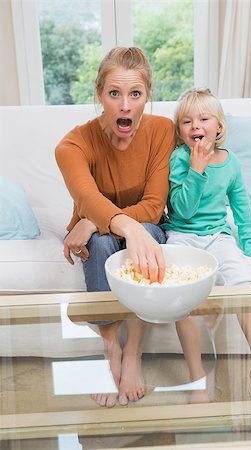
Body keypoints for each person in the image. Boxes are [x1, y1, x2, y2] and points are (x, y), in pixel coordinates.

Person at [55, 47, 175, 408]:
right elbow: (86, 195)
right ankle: (110, 349)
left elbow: (154, 206)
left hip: (147, 229)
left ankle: (133, 350)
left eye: (135, 94)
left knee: (119, 238)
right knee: (106, 243)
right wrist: (114, 223)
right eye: (114, 94)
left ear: (147, 96)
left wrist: (95, 222)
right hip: (105, 238)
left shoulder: (161, 130)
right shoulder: (71, 145)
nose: (125, 105)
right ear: (99, 94)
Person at [162, 87, 251, 401]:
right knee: (182, 299)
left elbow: (241, 209)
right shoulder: (180, 159)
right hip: (182, 235)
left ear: (219, 127)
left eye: (204, 118)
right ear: (180, 131)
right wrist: (196, 169)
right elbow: (181, 208)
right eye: (186, 121)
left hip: (217, 236)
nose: (195, 126)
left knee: (244, 287)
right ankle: (197, 379)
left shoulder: (231, 162)